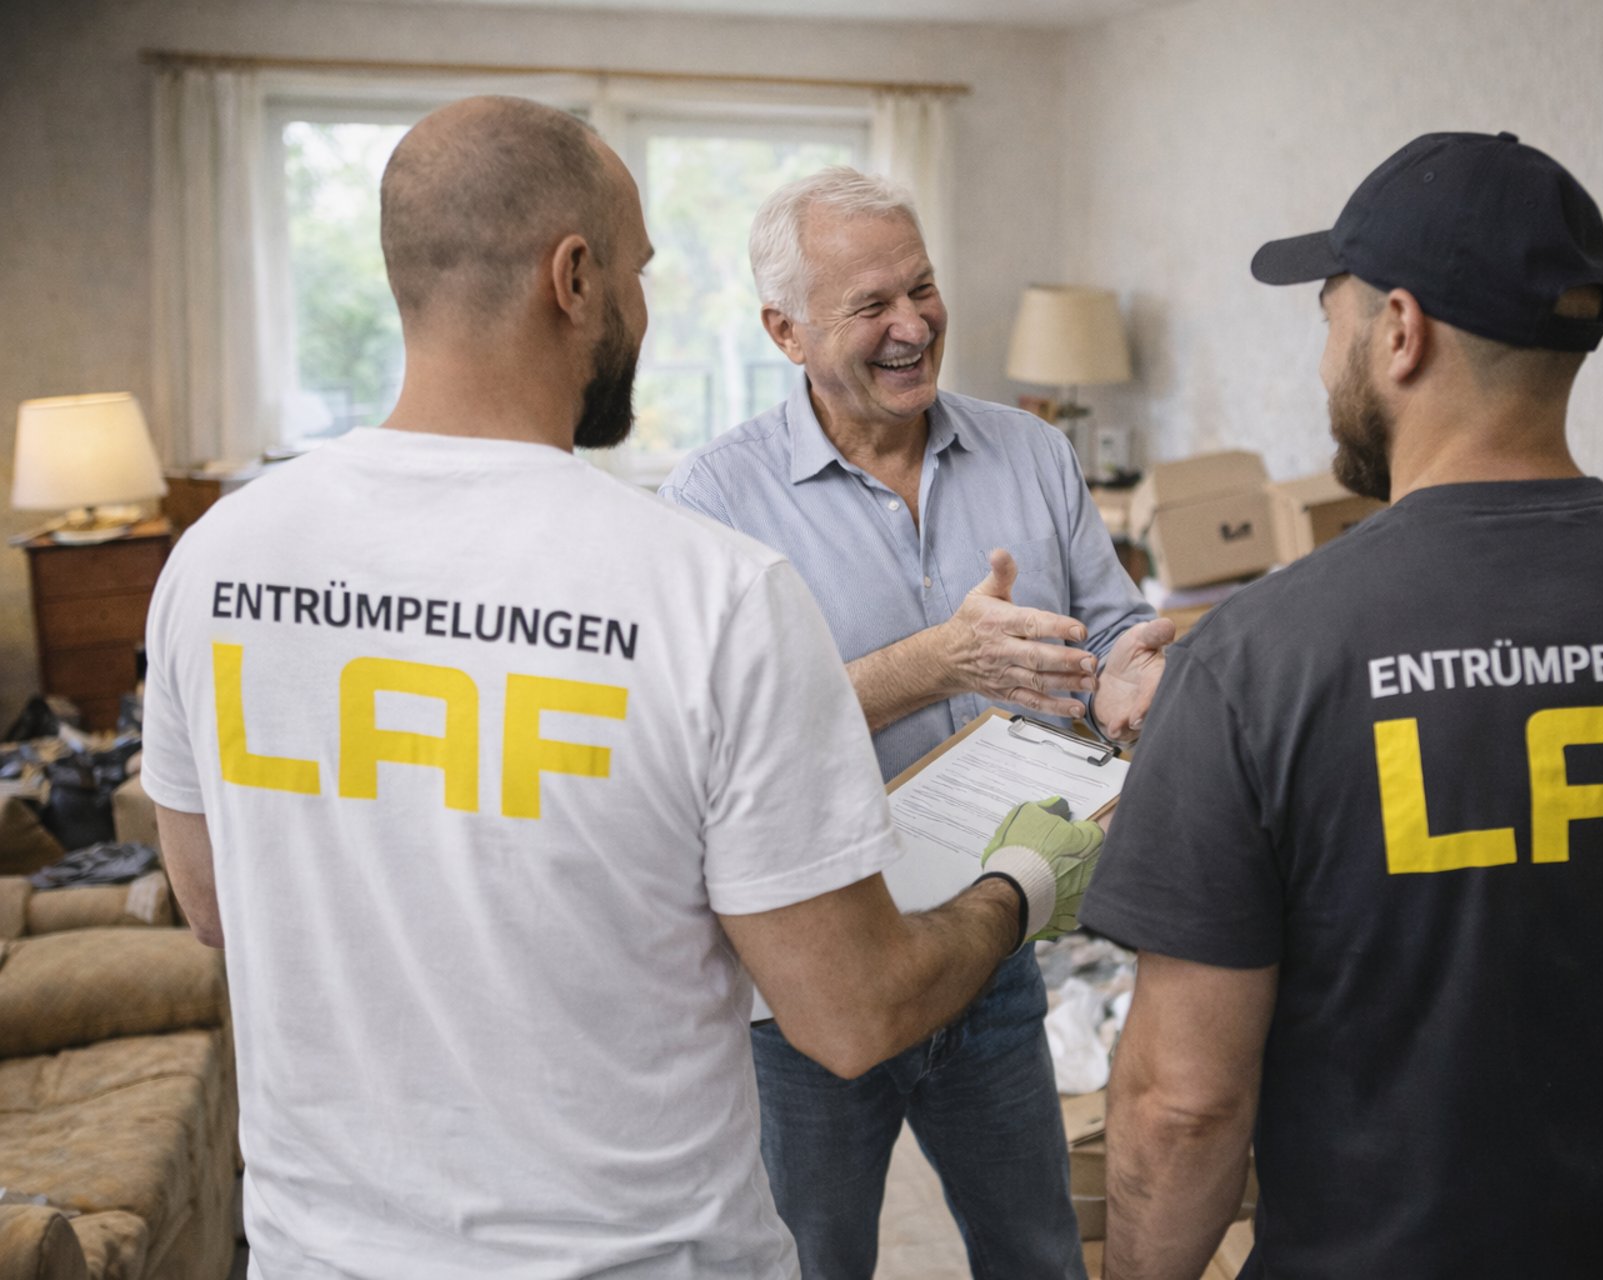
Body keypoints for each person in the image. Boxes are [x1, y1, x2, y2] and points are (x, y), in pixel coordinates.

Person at [141, 96, 1104, 1278]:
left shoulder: (216, 562)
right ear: (576, 278)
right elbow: (852, 1011)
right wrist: (1018, 879)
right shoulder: (705, 584)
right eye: (641, 269)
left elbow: (212, 903)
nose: (646, 304)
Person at [1080, 131, 1603, 1280]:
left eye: (1329, 319)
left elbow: (1182, 1104)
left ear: (1400, 331)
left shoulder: (1259, 656)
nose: (1323, 362)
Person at [659, 167, 1170, 1278]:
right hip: (807, 980)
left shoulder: (1030, 452)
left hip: (994, 938)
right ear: (785, 331)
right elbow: (700, 743)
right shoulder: (710, 502)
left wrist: (1131, 672)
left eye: (923, 288)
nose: (913, 326)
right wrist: (932, 662)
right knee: (814, 1260)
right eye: (871, 305)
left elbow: (1112, 621)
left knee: (1037, 1249)